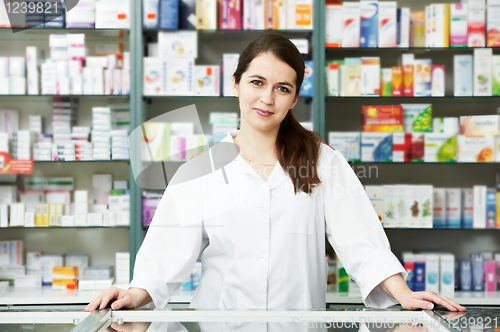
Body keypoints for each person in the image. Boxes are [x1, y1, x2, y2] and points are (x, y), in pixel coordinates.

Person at [86, 33, 465, 313]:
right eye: (256, 83)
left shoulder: (323, 162)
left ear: (295, 97)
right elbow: (165, 255)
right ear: (235, 84)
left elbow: (361, 240)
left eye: (282, 88)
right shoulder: (199, 169)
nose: (267, 98)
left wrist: (404, 295)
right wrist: (134, 294)